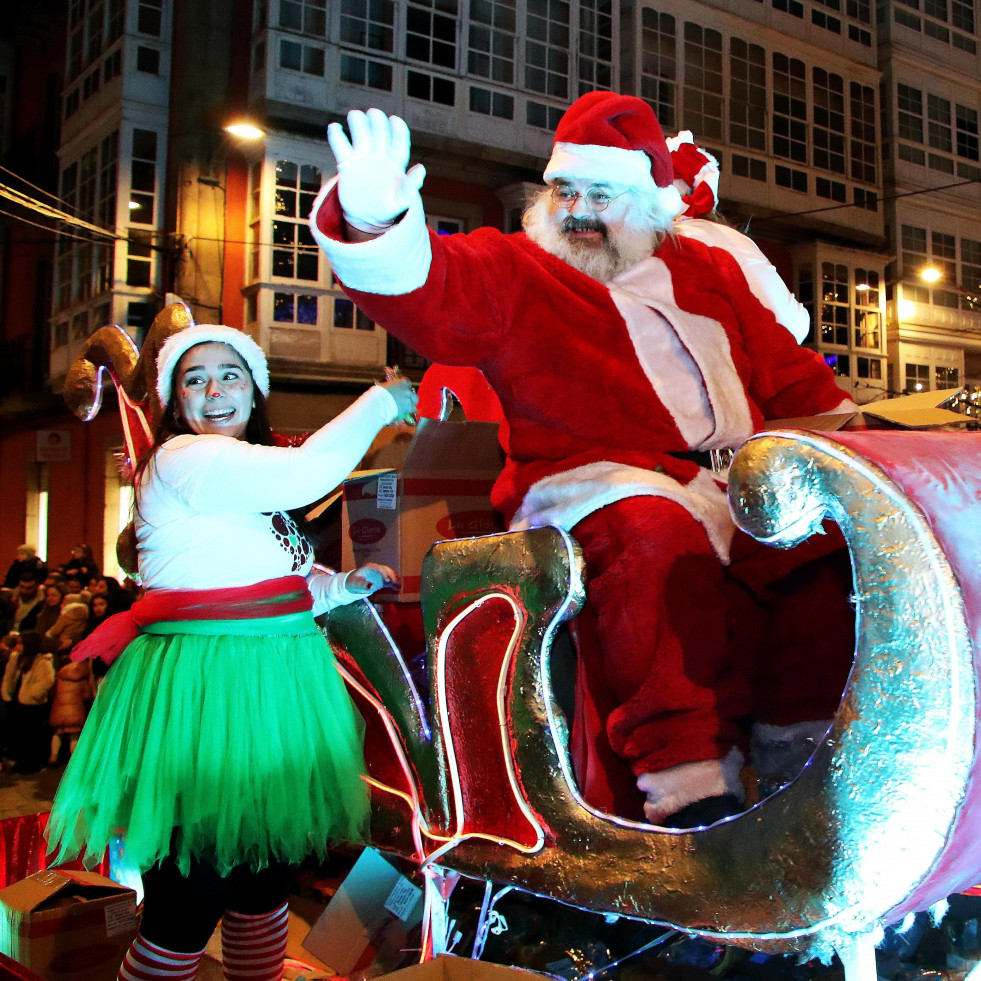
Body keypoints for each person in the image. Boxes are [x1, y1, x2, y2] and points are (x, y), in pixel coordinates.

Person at [309, 92, 858, 828]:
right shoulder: (522, 269)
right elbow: (439, 288)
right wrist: (378, 223)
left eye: (602, 193)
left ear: (651, 205)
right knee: (652, 535)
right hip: (594, 480)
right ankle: (688, 778)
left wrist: (857, 450)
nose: (578, 210)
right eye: (565, 190)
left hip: (729, 481)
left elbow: (790, 375)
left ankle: (804, 752)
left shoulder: (708, 273)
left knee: (825, 546)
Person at [46, 323, 417, 981]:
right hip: (207, 693)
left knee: (262, 885)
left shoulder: (247, 480)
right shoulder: (184, 457)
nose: (214, 390)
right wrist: (385, 402)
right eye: (195, 378)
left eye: (230, 374)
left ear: (253, 390)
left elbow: (274, 584)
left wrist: (338, 586)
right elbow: (310, 471)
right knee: (193, 893)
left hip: (272, 691)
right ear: (174, 401)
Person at [1, 632, 55, 772]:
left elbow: (47, 681)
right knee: (22, 733)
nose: (18, 647)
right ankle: (23, 760)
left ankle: (34, 763)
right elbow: (10, 677)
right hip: (19, 701)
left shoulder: (43, 661)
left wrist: (33, 693)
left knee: (33, 735)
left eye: (20, 643)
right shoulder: (20, 659)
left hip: (33, 704)